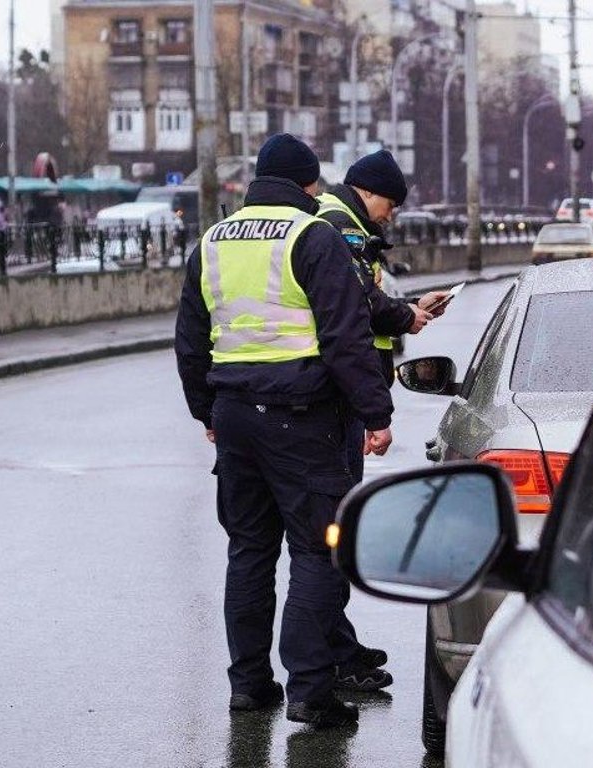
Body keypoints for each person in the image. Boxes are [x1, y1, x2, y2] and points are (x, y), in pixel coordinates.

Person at [175, 133, 395, 728]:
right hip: (304, 422)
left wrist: (207, 414)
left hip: (236, 420)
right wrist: (376, 414)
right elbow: (346, 337)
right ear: (307, 185)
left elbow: (190, 342)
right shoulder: (313, 237)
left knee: (248, 551)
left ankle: (249, 685)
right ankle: (309, 692)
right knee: (316, 554)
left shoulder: (212, 242)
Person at [316, 150, 449, 480]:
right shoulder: (341, 225)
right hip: (340, 386)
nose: (389, 216)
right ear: (367, 191)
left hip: (344, 381)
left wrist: (414, 304)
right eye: (389, 205)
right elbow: (357, 300)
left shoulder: (348, 221)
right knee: (338, 498)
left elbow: (364, 293)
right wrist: (405, 317)